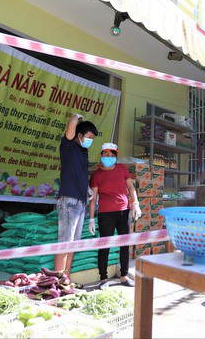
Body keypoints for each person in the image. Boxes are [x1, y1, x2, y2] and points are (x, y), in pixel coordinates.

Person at [89, 142, 141, 288]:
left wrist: (135, 203)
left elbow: (130, 187)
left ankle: (124, 276)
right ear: (101, 155)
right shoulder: (96, 175)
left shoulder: (122, 168)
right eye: (106, 154)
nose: (109, 157)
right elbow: (93, 199)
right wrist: (91, 218)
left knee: (124, 245)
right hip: (106, 214)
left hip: (124, 212)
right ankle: (104, 279)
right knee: (104, 246)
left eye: (112, 155)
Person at [54, 113, 98, 278]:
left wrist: (87, 189)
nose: (90, 140)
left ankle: (66, 279)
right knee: (64, 243)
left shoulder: (83, 153)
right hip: (68, 201)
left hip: (81, 202)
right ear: (79, 135)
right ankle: (57, 283)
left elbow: (79, 174)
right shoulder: (68, 146)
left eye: (93, 138)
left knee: (73, 244)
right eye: (89, 137)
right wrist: (75, 118)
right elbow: (71, 126)